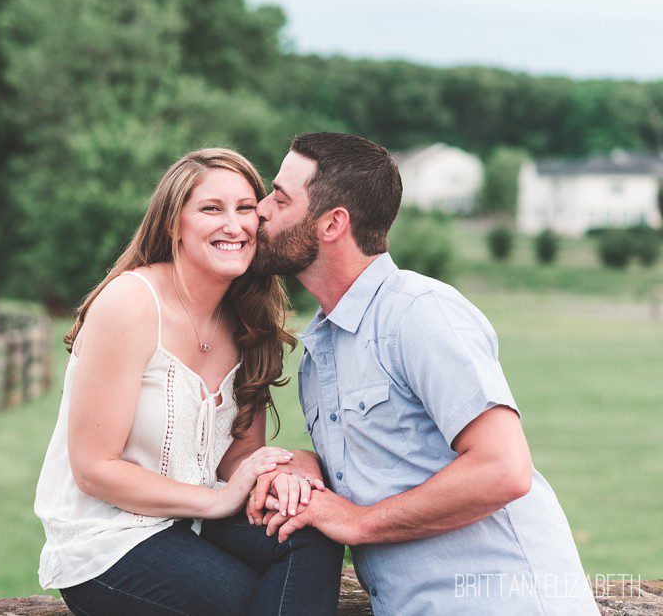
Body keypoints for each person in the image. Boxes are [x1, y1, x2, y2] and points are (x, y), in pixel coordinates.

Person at [247, 131, 598, 614]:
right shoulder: (319, 351)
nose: (260, 209)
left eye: (280, 198)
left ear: (332, 224)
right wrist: (308, 463)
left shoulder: (419, 312)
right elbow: (387, 460)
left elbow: (503, 468)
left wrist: (358, 522)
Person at [34, 148, 345, 615]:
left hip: (194, 521)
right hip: (109, 540)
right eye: (211, 209)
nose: (234, 225)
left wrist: (289, 469)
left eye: (245, 209)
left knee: (311, 528)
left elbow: (236, 459)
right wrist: (217, 503)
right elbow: (94, 469)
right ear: (173, 223)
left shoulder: (250, 318)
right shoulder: (132, 304)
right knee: (249, 603)